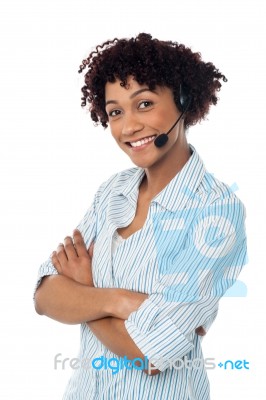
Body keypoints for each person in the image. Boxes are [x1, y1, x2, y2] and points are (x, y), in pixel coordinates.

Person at [34, 33, 247, 399]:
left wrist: (84, 292)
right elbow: (44, 295)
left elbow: (152, 352)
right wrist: (119, 301)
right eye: (115, 112)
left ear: (183, 100)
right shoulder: (112, 191)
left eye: (144, 104)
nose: (128, 127)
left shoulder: (215, 210)